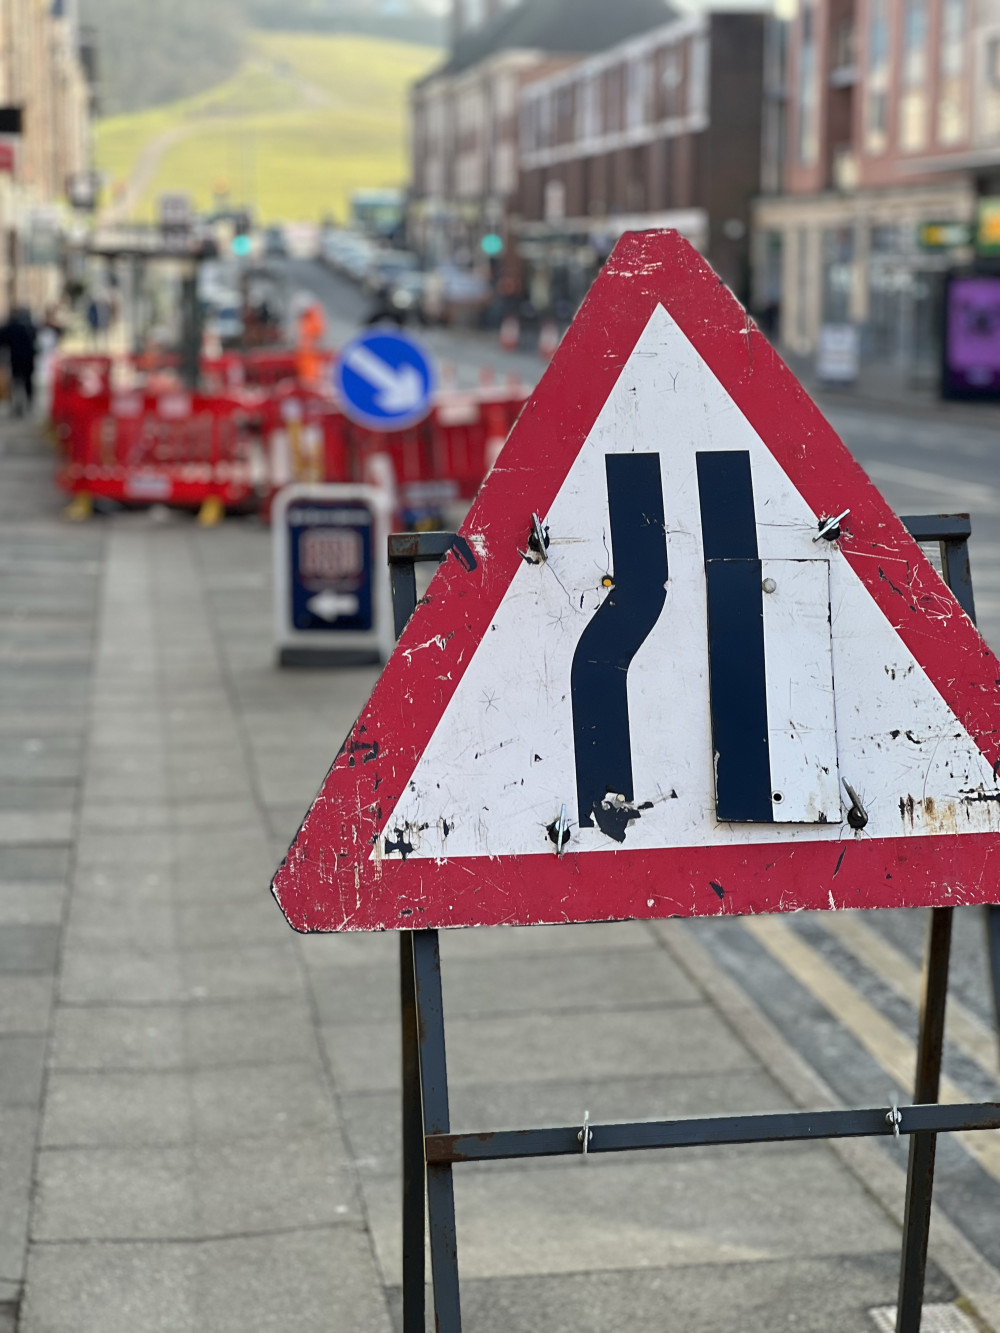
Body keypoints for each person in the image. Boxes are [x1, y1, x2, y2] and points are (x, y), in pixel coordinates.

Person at [0, 307, 38, 416]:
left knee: (16, 382)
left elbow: (2, 340)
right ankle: (29, 402)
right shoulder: (30, 326)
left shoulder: (10, 327)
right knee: (28, 382)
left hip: (16, 359)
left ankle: (18, 406)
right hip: (28, 358)